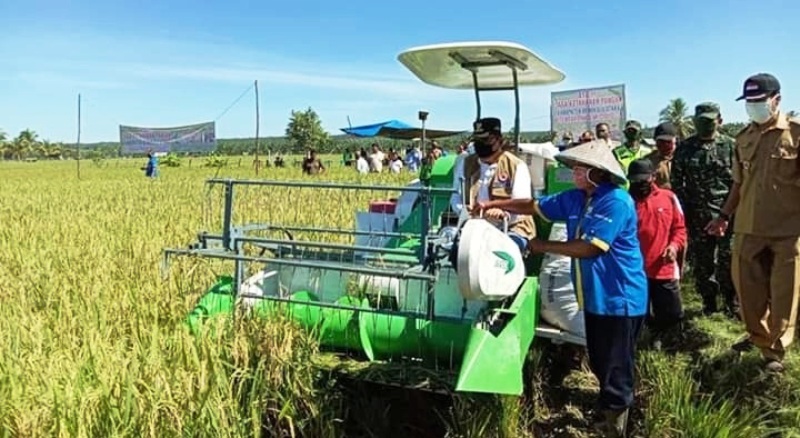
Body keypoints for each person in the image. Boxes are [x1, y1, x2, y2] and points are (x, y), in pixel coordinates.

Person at [475, 140, 647, 437]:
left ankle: (614, 427)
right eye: (575, 169)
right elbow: (533, 205)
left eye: (580, 169)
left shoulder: (616, 201)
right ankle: (604, 415)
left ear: (598, 173)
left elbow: (591, 247)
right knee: (601, 360)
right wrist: (494, 203)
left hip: (620, 297)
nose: (575, 174)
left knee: (615, 367)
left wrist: (537, 245)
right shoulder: (577, 198)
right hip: (595, 297)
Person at [707, 73, 800, 372]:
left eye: (759, 101)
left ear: (776, 100)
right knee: (747, 291)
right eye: (749, 102)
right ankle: (758, 337)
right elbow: (738, 184)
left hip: (788, 229)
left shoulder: (796, 134)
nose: (753, 106)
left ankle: (775, 352)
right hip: (747, 227)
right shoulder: (743, 138)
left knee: (785, 293)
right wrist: (723, 216)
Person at [671, 102, 738, 317]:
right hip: (697, 217)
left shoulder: (731, 146)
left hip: (727, 215)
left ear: (719, 120)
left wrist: (724, 215)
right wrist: (686, 217)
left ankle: (731, 302)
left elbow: (739, 183)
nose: (705, 126)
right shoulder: (684, 149)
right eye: (700, 122)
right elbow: (677, 184)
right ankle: (709, 303)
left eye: (709, 121)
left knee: (729, 261)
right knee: (703, 263)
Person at [449, 117, 537, 253]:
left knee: (499, 252)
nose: (481, 144)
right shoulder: (465, 163)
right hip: (475, 225)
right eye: (477, 140)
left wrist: (504, 213)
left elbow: (523, 207)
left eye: (486, 140)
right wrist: (464, 211)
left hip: (512, 227)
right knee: (457, 252)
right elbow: (455, 196)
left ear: (499, 140)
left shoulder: (516, 166)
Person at [628, 159, 687, 349]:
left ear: (653, 177)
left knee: (672, 314)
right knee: (638, 315)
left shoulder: (668, 198)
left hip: (663, 267)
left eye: (643, 180)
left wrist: (674, 246)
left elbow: (680, 229)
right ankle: (643, 346)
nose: (639, 185)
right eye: (635, 181)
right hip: (634, 271)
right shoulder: (625, 202)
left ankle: (670, 348)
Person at [645, 122, 678, 189]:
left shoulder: (684, 158)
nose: (665, 145)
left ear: (675, 141)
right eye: (661, 142)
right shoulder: (647, 161)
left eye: (669, 142)